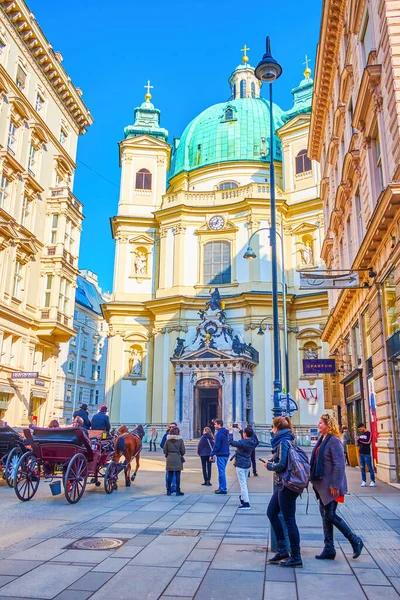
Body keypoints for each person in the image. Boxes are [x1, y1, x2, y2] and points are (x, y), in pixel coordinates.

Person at [310, 413, 363, 561]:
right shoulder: (323, 439)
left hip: (332, 485)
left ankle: (355, 540)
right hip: (323, 485)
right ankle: (329, 548)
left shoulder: (334, 441)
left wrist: (335, 483)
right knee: (325, 515)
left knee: (330, 515)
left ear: (328, 425)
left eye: (321, 423)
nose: (318, 425)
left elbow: (339, 464)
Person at [265, 416, 302, 568]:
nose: (271, 430)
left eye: (272, 427)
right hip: (283, 484)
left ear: (277, 428)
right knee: (272, 512)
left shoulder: (284, 441)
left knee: (289, 520)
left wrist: (270, 466)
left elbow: (282, 464)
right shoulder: (285, 439)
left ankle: (296, 556)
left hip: (287, 485)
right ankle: (282, 550)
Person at [230, 425, 258, 510]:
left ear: (245, 434)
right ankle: (242, 498)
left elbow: (231, 442)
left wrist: (230, 433)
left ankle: (246, 502)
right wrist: (241, 430)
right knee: (244, 481)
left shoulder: (242, 442)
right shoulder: (252, 442)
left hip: (241, 464)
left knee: (243, 484)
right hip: (247, 464)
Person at [209, 419, 230, 494]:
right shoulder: (226, 432)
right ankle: (221, 487)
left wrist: (212, 454)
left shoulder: (219, 434)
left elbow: (216, 446)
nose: (214, 426)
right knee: (222, 471)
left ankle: (223, 488)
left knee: (221, 472)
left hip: (221, 454)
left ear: (218, 424)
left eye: (215, 424)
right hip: (226, 453)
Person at [163, 426, 185, 496]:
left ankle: (168, 491)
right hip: (177, 458)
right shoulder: (180, 440)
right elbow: (183, 451)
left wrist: (168, 454)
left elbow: (164, 450)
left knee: (170, 475)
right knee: (178, 475)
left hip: (169, 458)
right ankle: (178, 490)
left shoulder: (167, 440)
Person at [356, 423, 376, 487]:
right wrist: (358, 440)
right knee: (362, 468)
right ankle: (363, 481)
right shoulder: (361, 434)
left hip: (366, 453)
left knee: (369, 467)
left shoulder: (369, 433)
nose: (360, 430)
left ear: (363, 427)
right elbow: (359, 443)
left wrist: (360, 439)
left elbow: (368, 442)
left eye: (360, 428)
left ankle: (372, 480)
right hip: (361, 453)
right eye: (359, 429)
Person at [160, 423, 178, 492]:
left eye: (173, 427)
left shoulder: (178, 436)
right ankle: (169, 486)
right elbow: (162, 445)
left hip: (174, 456)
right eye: (171, 427)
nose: (172, 428)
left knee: (174, 472)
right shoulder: (166, 436)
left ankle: (173, 486)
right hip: (170, 456)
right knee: (169, 472)